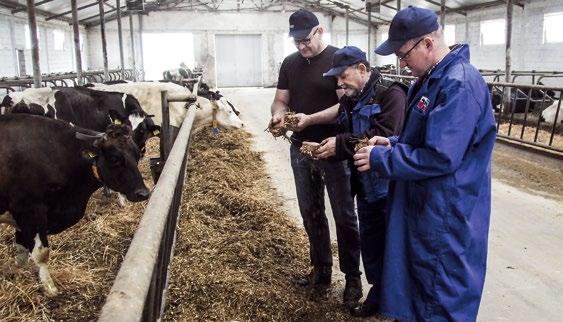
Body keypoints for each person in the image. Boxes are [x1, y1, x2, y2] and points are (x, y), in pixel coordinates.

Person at [353, 6, 497, 321]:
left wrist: (383, 158)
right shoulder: (428, 80)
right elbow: (420, 138)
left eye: (403, 55)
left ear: (428, 44)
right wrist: (391, 142)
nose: (401, 64)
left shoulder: (458, 84)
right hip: (425, 207)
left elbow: (440, 155)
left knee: (439, 296)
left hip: (447, 212)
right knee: (418, 290)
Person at [300, 46, 407, 317]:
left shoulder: (391, 95)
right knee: (370, 247)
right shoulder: (352, 98)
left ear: (362, 69)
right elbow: (344, 133)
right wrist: (324, 147)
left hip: (388, 188)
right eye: (336, 78)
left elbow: (382, 135)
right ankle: (378, 294)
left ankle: (395, 304)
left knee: (391, 248)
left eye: (343, 76)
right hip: (365, 187)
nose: (339, 83)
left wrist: (340, 145)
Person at [269, 9, 362, 307]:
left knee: (344, 214)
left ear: (320, 31)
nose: (301, 46)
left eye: (305, 40)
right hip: (300, 148)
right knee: (310, 211)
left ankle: (351, 277)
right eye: (296, 41)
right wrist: (278, 116)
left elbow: (344, 104)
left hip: (332, 147)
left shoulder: (338, 60)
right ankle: (321, 269)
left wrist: (310, 120)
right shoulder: (290, 64)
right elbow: (281, 99)